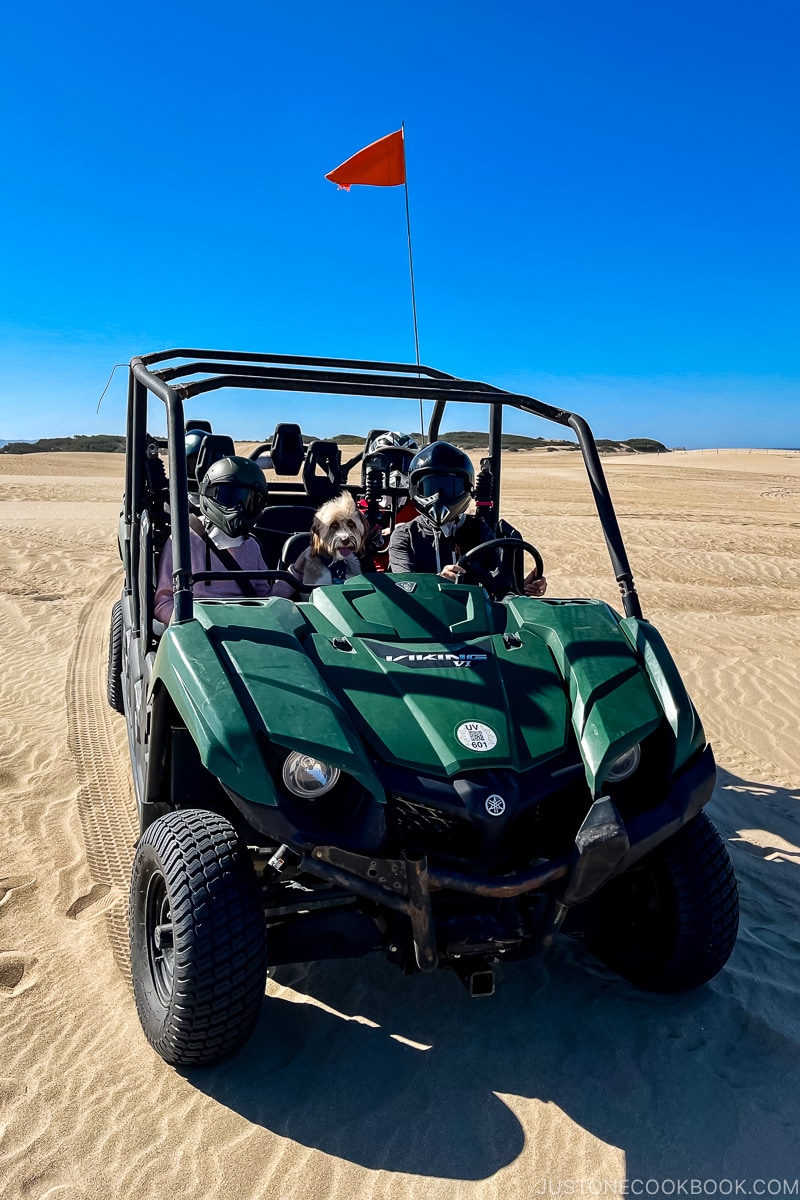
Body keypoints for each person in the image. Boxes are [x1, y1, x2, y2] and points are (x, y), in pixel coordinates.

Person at [388, 441, 547, 597]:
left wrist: (525, 587)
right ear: (415, 489)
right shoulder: (404, 535)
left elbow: (498, 583)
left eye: (449, 487)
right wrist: (438, 580)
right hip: (424, 617)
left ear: (466, 488)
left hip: (476, 616)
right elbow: (405, 588)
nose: (439, 496)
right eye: (431, 487)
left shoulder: (479, 530)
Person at [154, 456, 293, 624]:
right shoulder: (183, 541)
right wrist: (191, 624)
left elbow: (265, 599)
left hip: (248, 626)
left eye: (248, 502)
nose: (238, 510)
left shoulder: (252, 546)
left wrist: (297, 573)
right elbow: (164, 602)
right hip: (199, 629)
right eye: (228, 498)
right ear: (209, 494)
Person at [359, 431, 419, 570]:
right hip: (368, 578)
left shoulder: (420, 510)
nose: (396, 472)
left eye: (405, 464)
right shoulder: (358, 511)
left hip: (410, 577)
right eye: (389, 464)